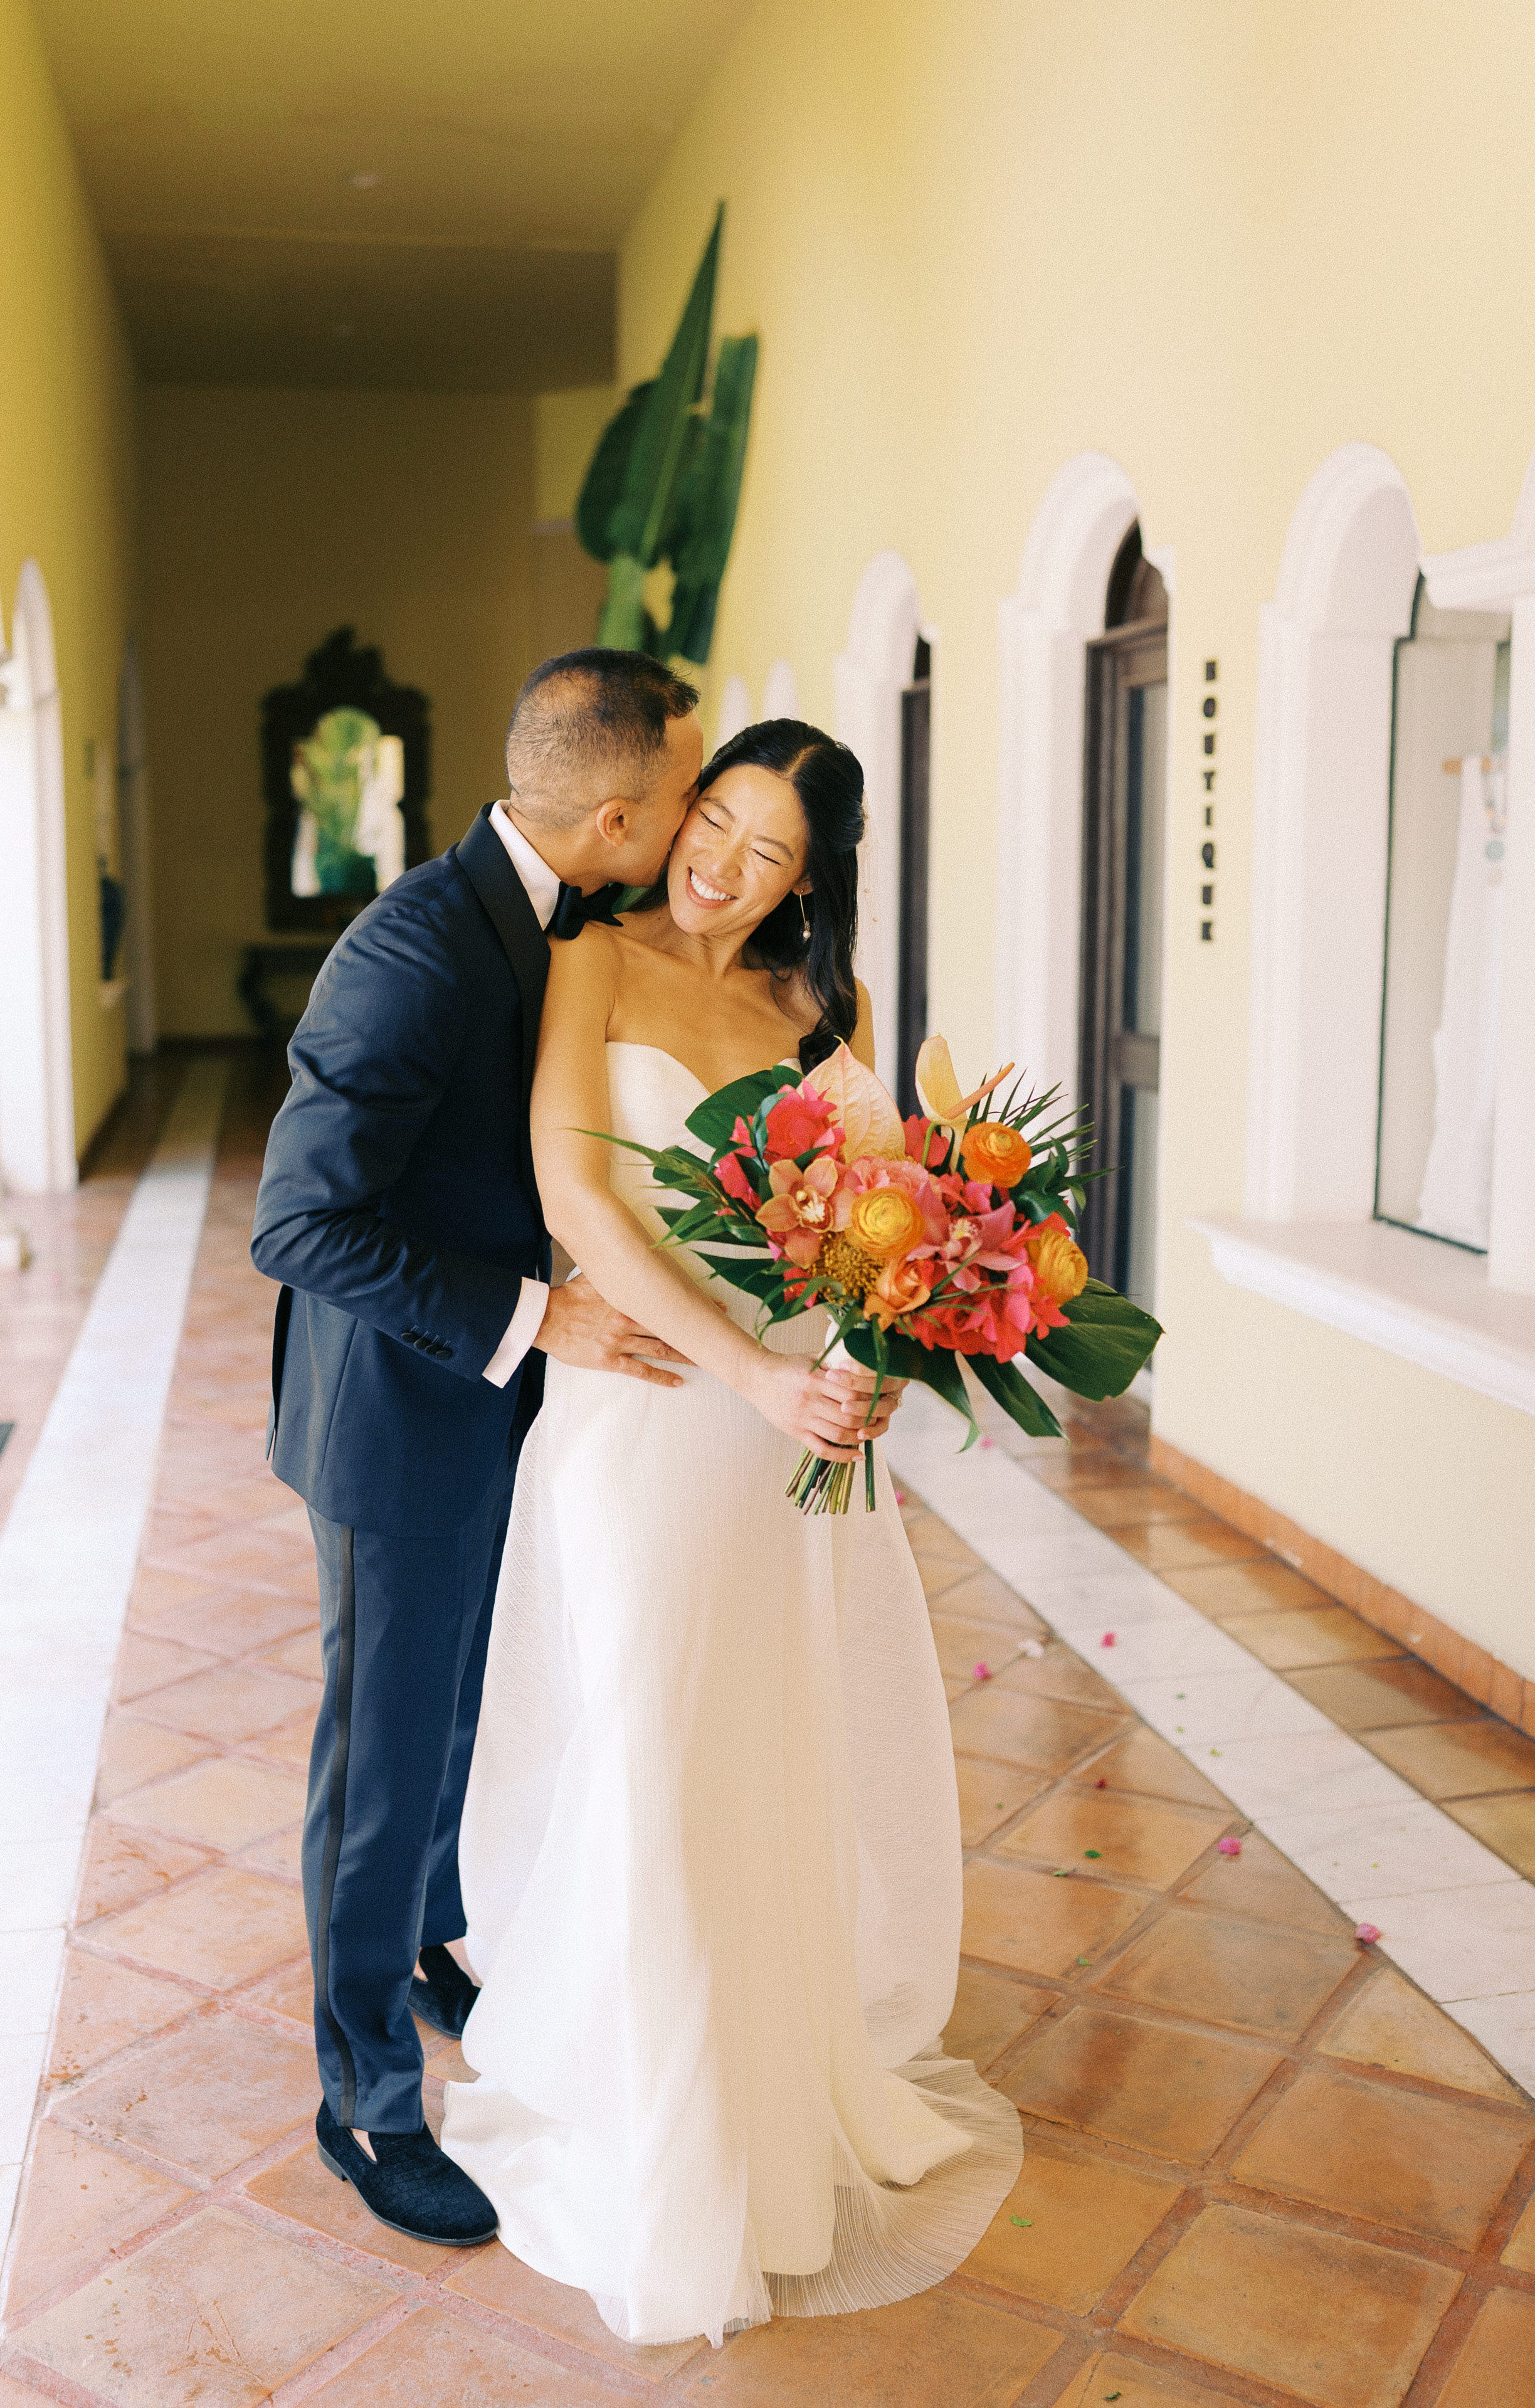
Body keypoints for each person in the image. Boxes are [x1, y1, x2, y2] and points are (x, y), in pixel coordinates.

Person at [250, 655, 890, 2247]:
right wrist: (536, 1320)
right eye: (691, 800)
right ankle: (363, 2098)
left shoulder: (576, 921)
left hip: (562, 1403)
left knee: (478, 1709)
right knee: (385, 1764)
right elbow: (297, 1222)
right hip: (409, 1403)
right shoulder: (414, 948)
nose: (701, 837)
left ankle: (437, 1940)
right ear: (617, 813)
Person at [438, 720, 1023, 2347]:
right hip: (646, 1417)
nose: (727, 869)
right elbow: (579, 1197)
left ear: (809, 882)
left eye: (772, 856)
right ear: (677, 811)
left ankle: (767, 2124)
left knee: (759, 1749)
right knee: (648, 1741)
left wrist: (868, 1351)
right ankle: (660, 2131)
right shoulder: (593, 959)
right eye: (719, 826)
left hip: (778, 1452)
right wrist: (749, 1374)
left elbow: (888, 1207)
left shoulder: (809, 1011)